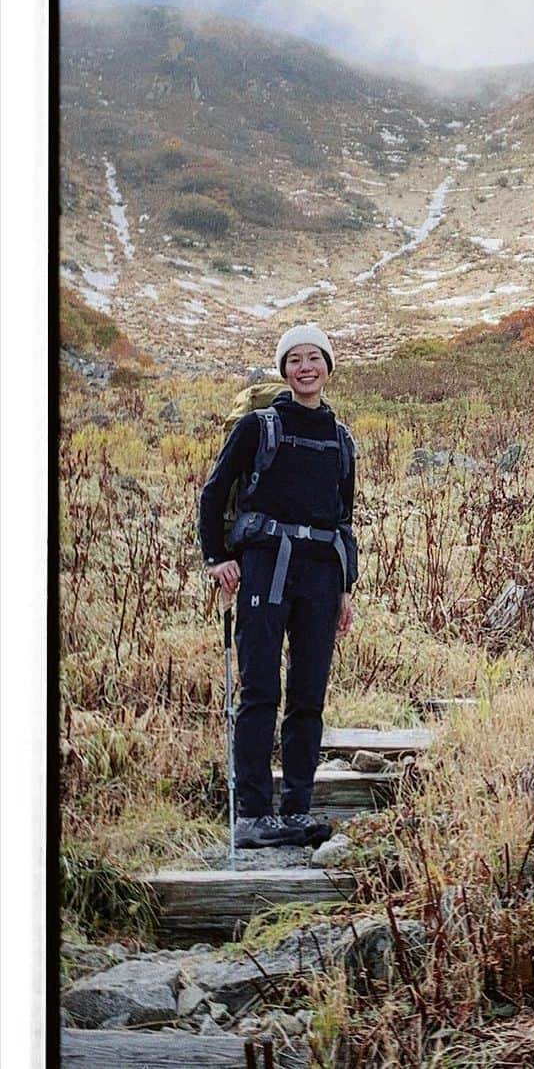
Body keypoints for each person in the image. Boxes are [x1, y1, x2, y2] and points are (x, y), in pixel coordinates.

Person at [199, 324, 358, 848]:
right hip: (265, 568)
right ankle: (252, 815)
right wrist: (217, 557)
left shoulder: (341, 438)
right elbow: (215, 490)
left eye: (315, 358)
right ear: (284, 370)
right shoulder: (258, 426)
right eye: (295, 360)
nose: (306, 367)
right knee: (260, 690)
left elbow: (344, 518)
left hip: (320, 576)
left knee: (309, 696)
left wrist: (345, 589)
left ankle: (296, 810)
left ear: (329, 367)